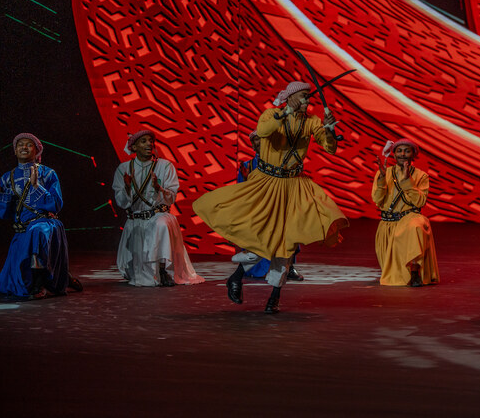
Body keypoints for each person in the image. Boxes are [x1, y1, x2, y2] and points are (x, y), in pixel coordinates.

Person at [193, 81, 349, 313]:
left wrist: (329, 129)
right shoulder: (271, 114)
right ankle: (236, 277)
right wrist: (285, 112)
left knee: (286, 242)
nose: (307, 101)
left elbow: (330, 148)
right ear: (292, 97)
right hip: (266, 183)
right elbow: (264, 131)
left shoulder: (311, 121)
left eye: (309, 97)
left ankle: (274, 296)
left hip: (294, 186)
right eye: (304, 97)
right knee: (260, 237)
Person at [0, 133, 81, 299]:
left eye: (29, 144)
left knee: (37, 231)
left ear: (37, 150)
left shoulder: (48, 173)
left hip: (45, 224)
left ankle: (39, 284)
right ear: (15, 151)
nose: (24, 147)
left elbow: (56, 204)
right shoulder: (7, 178)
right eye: (20, 144)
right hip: (23, 229)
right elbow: (3, 214)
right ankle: (62, 277)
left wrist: (36, 186)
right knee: (15, 284)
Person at [112, 130, 204, 287]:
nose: (149, 144)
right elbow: (121, 201)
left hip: (157, 214)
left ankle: (163, 269)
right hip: (136, 217)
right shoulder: (124, 168)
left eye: (150, 140)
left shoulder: (165, 166)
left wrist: (158, 188)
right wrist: (127, 188)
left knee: (160, 224)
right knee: (132, 273)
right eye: (144, 141)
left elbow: (171, 197)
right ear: (134, 147)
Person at [235, 130, 303, 281]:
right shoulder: (248, 166)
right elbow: (241, 193)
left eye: (261, 140)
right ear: (253, 146)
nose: (258, 144)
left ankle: (289, 267)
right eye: (255, 142)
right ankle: (255, 266)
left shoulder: (281, 163)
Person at [372, 139, 439, 286]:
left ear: (413, 155)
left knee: (416, 226)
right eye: (399, 151)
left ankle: (415, 271)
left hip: (409, 218)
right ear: (394, 154)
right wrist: (382, 180)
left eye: (407, 151)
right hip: (388, 223)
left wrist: (407, 180)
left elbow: (419, 202)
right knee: (393, 276)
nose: (403, 154)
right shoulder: (384, 172)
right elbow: (377, 200)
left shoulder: (421, 176)